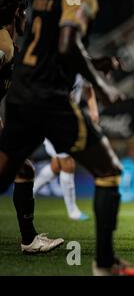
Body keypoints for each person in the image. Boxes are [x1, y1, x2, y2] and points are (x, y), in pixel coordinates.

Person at [0, 0, 134, 275]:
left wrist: (95, 63)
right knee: (108, 170)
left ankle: (29, 239)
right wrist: (102, 86)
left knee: (14, 172)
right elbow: (67, 45)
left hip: (23, 97)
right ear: (17, 12)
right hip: (48, 100)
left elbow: (50, 52)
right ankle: (105, 264)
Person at [0, 0, 64, 254]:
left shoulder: (8, 41)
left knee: (23, 169)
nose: (27, 18)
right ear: (16, 12)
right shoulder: (2, 43)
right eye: (25, 13)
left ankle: (29, 240)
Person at [33, 75, 100, 221]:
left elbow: (88, 88)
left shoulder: (81, 62)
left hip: (69, 120)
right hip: (52, 119)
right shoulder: (53, 64)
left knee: (57, 165)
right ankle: (72, 211)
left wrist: (93, 110)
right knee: (68, 163)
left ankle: (28, 192)